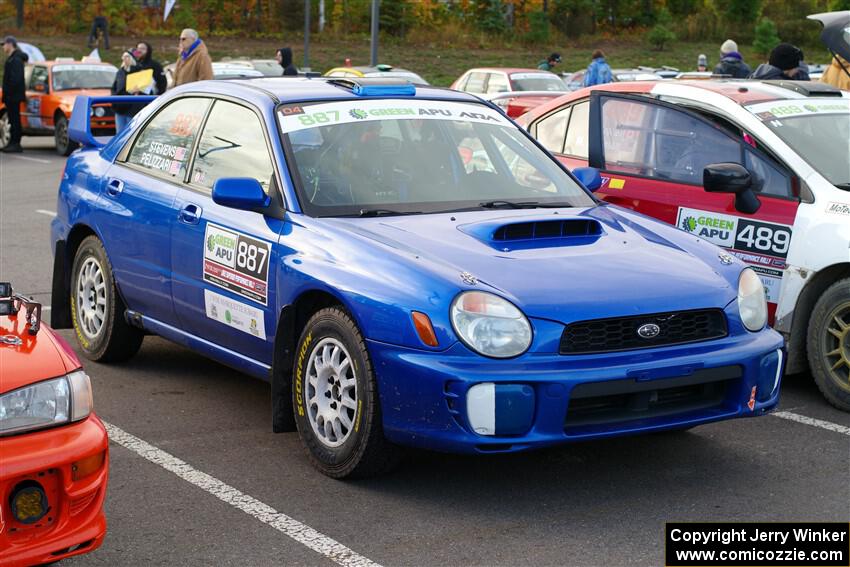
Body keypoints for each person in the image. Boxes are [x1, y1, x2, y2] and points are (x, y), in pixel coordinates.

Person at [2, 36, 26, 153]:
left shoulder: (16, 59)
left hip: (13, 96)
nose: (3, 47)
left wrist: (9, 92)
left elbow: (16, 79)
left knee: (15, 120)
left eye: (4, 44)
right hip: (11, 96)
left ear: (10, 44)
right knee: (12, 119)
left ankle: (16, 143)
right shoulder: (13, 58)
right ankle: (12, 142)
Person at [111, 50, 141, 132]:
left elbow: (146, 89)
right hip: (119, 106)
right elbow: (114, 87)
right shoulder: (120, 72)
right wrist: (113, 99)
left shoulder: (138, 71)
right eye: (123, 56)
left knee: (130, 132)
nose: (124, 58)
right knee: (120, 132)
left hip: (132, 107)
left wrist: (138, 92)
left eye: (127, 56)